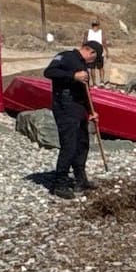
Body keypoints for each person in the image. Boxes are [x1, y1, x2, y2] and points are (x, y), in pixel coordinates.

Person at [43, 40, 103, 199]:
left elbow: (85, 91)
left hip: (79, 107)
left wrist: (91, 111)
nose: (92, 64)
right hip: (64, 105)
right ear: (91, 52)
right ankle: (60, 183)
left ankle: (80, 179)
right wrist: (73, 75)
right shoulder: (66, 57)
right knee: (69, 144)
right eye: (94, 59)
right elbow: (49, 72)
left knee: (83, 143)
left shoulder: (83, 65)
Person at [85, 20, 105, 85]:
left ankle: (94, 83)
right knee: (100, 67)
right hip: (99, 50)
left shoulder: (88, 32)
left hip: (91, 50)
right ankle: (102, 82)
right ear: (98, 25)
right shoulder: (101, 32)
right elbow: (104, 41)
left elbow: (84, 42)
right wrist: (107, 51)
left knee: (92, 67)